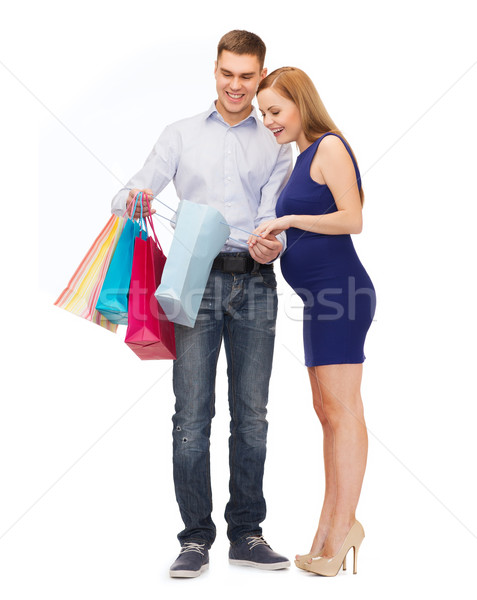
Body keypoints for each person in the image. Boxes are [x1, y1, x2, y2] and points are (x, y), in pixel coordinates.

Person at [111, 31, 293, 578]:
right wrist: (135, 198)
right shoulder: (180, 134)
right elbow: (127, 194)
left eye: (247, 76)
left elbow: (274, 219)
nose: (236, 86)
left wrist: (272, 241)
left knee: (253, 416)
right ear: (214, 71)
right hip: (193, 283)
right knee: (191, 415)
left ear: (260, 76)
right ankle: (195, 539)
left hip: (256, 282)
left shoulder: (276, 143)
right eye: (227, 73)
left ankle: (247, 533)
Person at [250, 67, 376, 577]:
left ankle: (342, 526)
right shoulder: (300, 157)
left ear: (301, 103)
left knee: (343, 411)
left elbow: (353, 219)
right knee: (326, 412)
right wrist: (272, 246)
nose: (269, 121)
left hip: (342, 293)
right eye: (263, 114)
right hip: (318, 299)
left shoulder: (329, 147)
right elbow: (301, 234)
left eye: (275, 111)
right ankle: (329, 527)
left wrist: (289, 219)